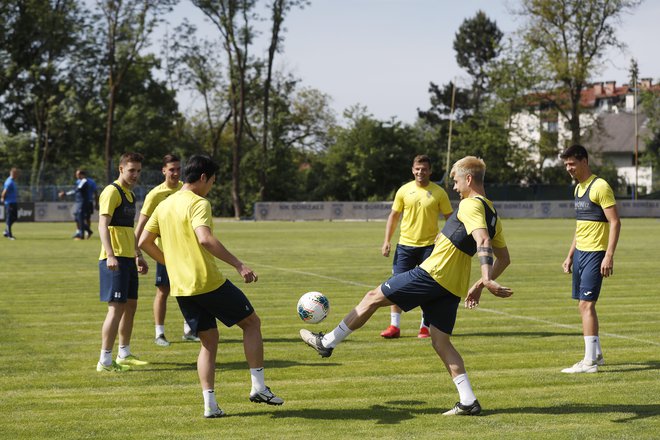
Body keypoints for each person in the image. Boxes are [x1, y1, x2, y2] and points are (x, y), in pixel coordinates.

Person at [300, 156, 513, 416]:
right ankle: (468, 400)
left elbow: (482, 241)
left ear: (468, 179)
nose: (455, 187)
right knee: (440, 341)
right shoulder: (492, 212)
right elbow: (505, 258)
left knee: (372, 297)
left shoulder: (470, 205)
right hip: (453, 286)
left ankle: (328, 342)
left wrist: (485, 278)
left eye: (456, 181)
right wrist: (480, 283)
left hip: (433, 275)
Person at [139, 154, 284, 418]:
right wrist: (239, 265)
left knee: (208, 342)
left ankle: (210, 405)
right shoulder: (198, 203)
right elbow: (204, 239)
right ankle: (259, 387)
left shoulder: (165, 205)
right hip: (206, 281)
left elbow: (145, 242)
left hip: (182, 287)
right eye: (213, 181)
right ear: (203, 177)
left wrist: (170, 264)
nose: (212, 187)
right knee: (251, 323)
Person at [560, 145, 621, 374]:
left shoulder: (600, 186)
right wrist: (570, 255)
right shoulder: (578, 189)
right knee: (582, 305)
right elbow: (580, 226)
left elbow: (615, 222)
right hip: (581, 254)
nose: (569, 168)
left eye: (572, 164)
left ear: (584, 161)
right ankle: (596, 355)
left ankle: (589, 363)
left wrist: (609, 255)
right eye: (566, 164)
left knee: (586, 305)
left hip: (596, 254)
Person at [380, 155, 453, 339]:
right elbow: (394, 216)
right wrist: (387, 240)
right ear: (412, 170)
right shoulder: (404, 190)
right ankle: (394, 327)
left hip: (429, 247)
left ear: (430, 171)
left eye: (424, 169)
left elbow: (450, 219)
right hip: (405, 246)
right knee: (395, 285)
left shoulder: (439, 192)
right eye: (417, 169)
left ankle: (424, 327)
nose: (420, 172)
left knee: (427, 288)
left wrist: (443, 236)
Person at [134, 154, 196, 347]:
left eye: (178, 169)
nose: (176, 173)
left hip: (186, 252)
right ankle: (159, 333)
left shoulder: (186, 189)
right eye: (171, 169)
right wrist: (137, 253)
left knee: (190, 290)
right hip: (165, 252)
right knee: (163, 291)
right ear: (163, 171)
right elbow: (141, 224)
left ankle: (190, 329)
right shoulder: (156, 194)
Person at [96, 152, 150, 372]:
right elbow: (102, 225)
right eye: (131, 170)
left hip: (128, 258)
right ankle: (105, 360)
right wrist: (110, 254)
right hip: (115, 260)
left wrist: (138, 254)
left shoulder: (130, 195)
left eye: (138, 171)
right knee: (115, 309)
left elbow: (128, 230)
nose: (135, 174)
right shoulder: (112, 192)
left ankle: (124, 352)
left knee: (130, 306)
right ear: (120, 169)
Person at [59, 169, 93, 240]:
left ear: (82, 175)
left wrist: (65, 194)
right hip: (78, 202)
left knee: (80, 217)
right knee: (77, 218)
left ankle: (81, 235)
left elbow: (77, 189)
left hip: (83, 202)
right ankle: (88, 231)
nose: (76, 176)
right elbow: (76, 189)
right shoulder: (79, 181)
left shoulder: (84, 181)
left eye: (78, 174)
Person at [2, 167, 19, 240]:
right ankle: (9, 235)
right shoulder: (9, 181)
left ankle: (6, 231)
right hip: (9, 203)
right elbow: (4, 192)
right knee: (9, 218)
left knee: (14, 217)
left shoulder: (13, 181)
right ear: (12, 173)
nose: (17, 175)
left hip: (13, 202)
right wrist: (3, 198)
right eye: (16, 174)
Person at [85, 174, 98, 239]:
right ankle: (79, 231)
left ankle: (87, 232)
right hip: (80, 203)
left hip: (88, 202)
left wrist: (96, 203)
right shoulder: (78, 181)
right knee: (78, 218)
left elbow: (95, 192)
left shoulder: (91, 182)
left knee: (87, 218)